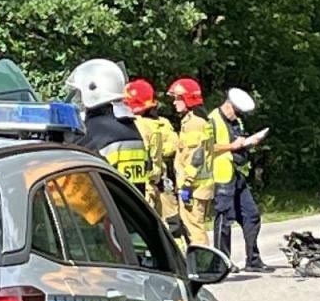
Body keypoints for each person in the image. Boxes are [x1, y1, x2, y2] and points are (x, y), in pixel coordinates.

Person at [209, 87, 272, 272]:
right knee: (224, 219)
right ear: (228, 105)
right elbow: (207, 147)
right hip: (220, 175)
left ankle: (253, 260)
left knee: (251, 215)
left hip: (236, 174)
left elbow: (239, 142)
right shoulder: (212, 120)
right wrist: (232, 146)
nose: (237, 116)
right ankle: (222, 262)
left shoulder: (236, 122)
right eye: (236, 112)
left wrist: (249, 142)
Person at [66, 59, 151, 195]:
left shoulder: (92, 132)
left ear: (93, 91)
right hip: (130, 205)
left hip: (104, 206)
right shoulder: (131, 128)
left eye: (79, 94)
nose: (78, 99)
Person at [124, 78, 182, 237]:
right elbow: (174, 146)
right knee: (174, 227)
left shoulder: (136, 125)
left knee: (147, 229)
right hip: (162, 183)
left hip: (146, 184)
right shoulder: (163, 123)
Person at [167, 77, 215, 246]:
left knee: (195, 229)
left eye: (177, 98)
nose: (174, 103)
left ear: (188, 99)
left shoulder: (194, 123)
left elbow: (196, 156)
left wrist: (187, 184)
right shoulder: (199, 120)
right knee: (195, 226)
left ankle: (203, 260)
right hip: (201, 186)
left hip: (194, 187)